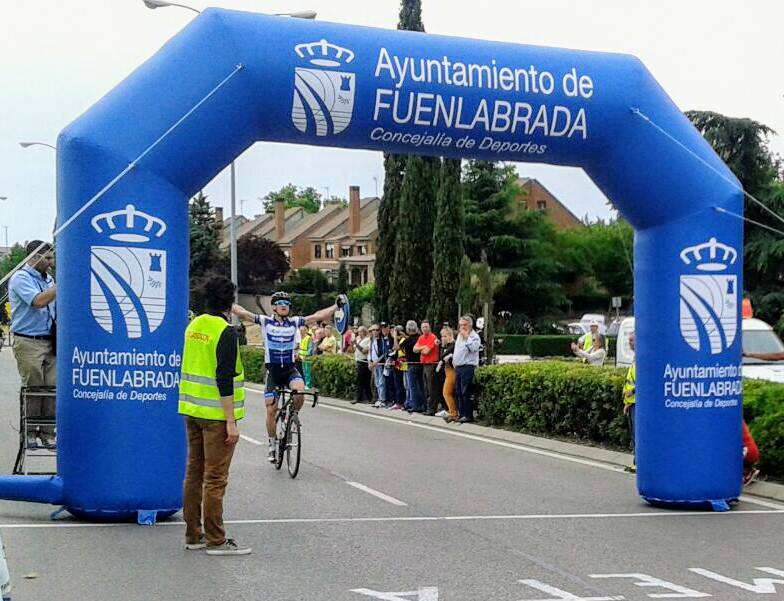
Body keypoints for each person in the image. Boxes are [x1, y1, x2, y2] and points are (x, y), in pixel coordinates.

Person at [179, 275, 250, 555]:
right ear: (230, 303)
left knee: (193, 474)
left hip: (192, 411)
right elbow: (224, 377)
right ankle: (216, 540)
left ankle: (193, 534)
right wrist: (231, 421)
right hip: (216, 415)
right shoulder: (225, 331)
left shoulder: (193, 326)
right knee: (216, 478)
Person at [232, 291, 345, 462]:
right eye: (280, 302)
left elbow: (317, 316)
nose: (284, 305)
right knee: (271, 410)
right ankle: (271, 443)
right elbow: (243, 312)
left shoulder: (294, 322)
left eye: (286, 302)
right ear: (274, 307)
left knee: (299, 393)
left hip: (290, 370)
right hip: (273, 371)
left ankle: (290, 418)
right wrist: (225, 301)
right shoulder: (265, 321)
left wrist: (337, 306)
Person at [9, 240, 57, 448]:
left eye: (51, 257)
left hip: (50, 340)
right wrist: (62, 284)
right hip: (29, 341)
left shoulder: (50, 280)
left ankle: (47, 433)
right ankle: (29, 432)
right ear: (33, 258)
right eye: (47, 258)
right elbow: (38, 301)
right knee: (34, 388)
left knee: (52, 388)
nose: (51, 262)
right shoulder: (21, 278)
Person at [453, 315, 481, 423]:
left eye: (464, 325)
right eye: (460, 325)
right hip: (459, 367)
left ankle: (468, 415)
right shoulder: (460, 336)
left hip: (467, 367)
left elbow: (473, 348)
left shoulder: (474, 337)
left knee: (465, 392)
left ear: (470, 325)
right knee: (458, 391)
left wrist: (467, 337)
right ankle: (461, 413)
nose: (462, 328)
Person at [414, 320, 440, 416]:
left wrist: (421, 347)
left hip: (431, 364)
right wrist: (423, 347)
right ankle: (428, 407)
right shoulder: (421, 337)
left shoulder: (433, 337)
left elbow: (426, 351)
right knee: (426, 388)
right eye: (423, 327)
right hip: (424, 364)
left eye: (426, 327)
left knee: (431, 388)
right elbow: (414, 349)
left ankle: (432, 408)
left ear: (430, 327)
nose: (424, 329)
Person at [400, 320, 424, 412]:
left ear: (407, 329)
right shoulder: (420, 338)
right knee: (421, 386)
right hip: (420, 364)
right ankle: (422, 404)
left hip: (411, 365)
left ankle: (415, 405)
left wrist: (395, 336)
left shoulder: (407, 340)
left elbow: (398, 347)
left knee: (412, 386)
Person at [369, 322, 393, 408]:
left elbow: (384, 353)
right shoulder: (372, 339)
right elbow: (370, 351)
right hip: (374, 364)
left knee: (381, 382)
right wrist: (370, 362)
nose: (375, 331)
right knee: (377, 382)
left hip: (381, 363)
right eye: (373, 330)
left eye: (377, 330)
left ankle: (382, 400)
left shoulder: (382, 340)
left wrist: (376, 361)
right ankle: (379, 399)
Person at [622, 332, 636, 473]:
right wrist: (627, 402)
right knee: (634, 434)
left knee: (638, 434)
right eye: (629, 341)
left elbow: (645, 379)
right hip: (632, 403)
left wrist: (633, 391)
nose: (630, 343)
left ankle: (638, 463)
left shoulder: (642, 358)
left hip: (638, 403)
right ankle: (636, 462)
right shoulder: (635, 358)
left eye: (632, 340)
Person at [438, 326, 458, 423]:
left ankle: (453, 412)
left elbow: (442, 356)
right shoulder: (446, 346)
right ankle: (451, 411)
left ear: (450, 336)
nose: (443, 338)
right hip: (447, 370)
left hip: (452, 370)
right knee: (448, 392)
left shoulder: (453, 345)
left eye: (445, 336)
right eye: (442, 336)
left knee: (446, 392)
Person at [353, 326, 372, 404]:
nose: (358, 333)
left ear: (364, 332)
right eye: (358, 332)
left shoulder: (368, 340)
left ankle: (365, 398)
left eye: (360, 331)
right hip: (358, 361)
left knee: (364, 381)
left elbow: (364, 351)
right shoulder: (358, 339)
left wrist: (356, 344)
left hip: (364, 362)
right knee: (360, 381)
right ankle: (362, 397)